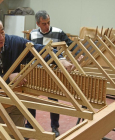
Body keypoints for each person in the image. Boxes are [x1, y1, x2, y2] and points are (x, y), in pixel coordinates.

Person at [0, 15, 73, 139]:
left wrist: (59, 59)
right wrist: (8, 78)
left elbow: (38, 50)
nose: (1, 37)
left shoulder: (15, 42)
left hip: (17, 100)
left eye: (2, 31)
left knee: (18, 135)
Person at [26, 10, 80, 138]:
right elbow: (28, 52)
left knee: (53, 100)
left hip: (53, 71)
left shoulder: (58, 32)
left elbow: (70, 44)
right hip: (37, 71)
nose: (47, 26)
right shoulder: (32, 34)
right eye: (44, 24)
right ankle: (29, 126)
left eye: (48, 22)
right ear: (38, 23)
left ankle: (54, 127)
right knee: (30, 98)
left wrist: (78, 53)